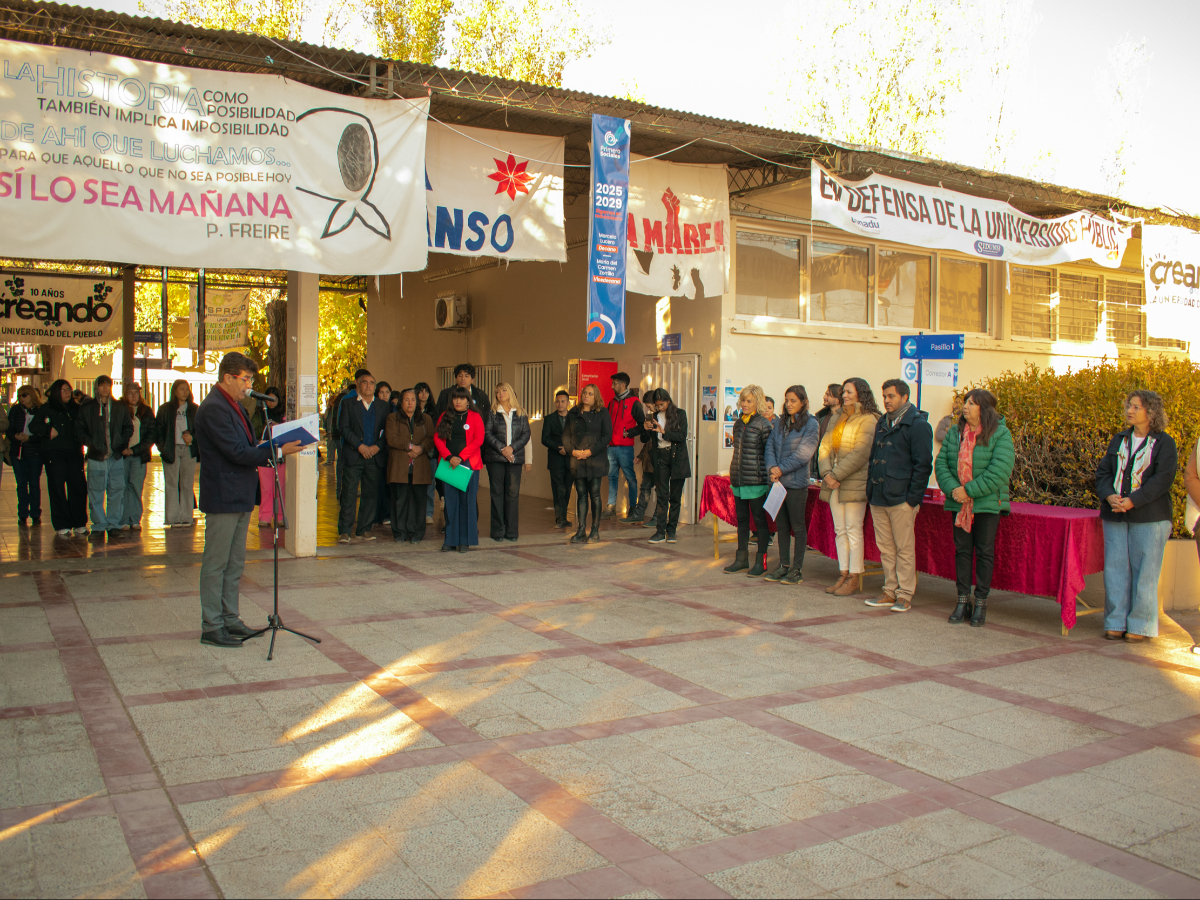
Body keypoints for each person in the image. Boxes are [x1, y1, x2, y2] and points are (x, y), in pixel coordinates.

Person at [195, 352, 302, 647]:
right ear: (227, 378)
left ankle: (230, 618)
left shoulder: (238, 407)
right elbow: (237, 452)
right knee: (216, 563)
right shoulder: (213, 408)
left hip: (240, 493)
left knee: (234, 564)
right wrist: (277, 451)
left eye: (251, 379)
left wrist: (273, 443)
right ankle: (212, 625)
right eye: (245, 379)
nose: (249, 385)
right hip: (223, 496)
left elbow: (249, 445)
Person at [1093, 390, 1177, 642]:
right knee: (1115, 569)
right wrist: (1109, 496)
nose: (1129, 410)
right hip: (1115, 515)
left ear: (1151, 412)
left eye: (1136, 407)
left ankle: (1140, 625)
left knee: (1145, 572)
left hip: (1150, 517)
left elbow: (1163, 480)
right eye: (1129, 405)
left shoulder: (1164, 443)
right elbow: (1103, 473)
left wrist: (1133, 501)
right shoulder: (1119, 439)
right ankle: (1115, 622)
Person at [936, 389, 1016, 628]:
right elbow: (941, 464)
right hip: (959, 502)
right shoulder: (955, 432)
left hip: (987, 504)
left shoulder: (1000, 434)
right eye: (966, 402)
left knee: (984, 552)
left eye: (971, 403)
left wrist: (968, 491)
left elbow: (1000, 471)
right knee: (962, 552)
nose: (966, 407)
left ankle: (980, 602)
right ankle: (962, 600)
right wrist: (955, 490)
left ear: (985, 409)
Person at [864, 379, 933, 613]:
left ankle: (904, 594)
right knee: (886, 548)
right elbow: (874, 457)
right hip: (878, 496)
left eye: (891, 396)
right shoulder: (882, 422)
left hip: (902, 498)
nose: (886, 400)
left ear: (904, 397)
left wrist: (912, 499)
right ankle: (889, 590)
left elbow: (923, 465)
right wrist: (870, 489)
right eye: (884, 396)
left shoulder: (918, 424)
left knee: (904, 548)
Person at [817, 378, 881, 595]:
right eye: (843, 392)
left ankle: (854, 576)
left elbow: (861, 453)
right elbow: (825, 446)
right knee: (840, 531)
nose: (844, 395)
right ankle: (843, 573)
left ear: (861, 394)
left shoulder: (869, 419)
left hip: (854, 483)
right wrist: (827, 474)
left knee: (853, 530)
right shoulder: (837, 417)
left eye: (849, 392)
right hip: (833, 482)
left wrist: (834, 475)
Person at [764, 385, 820, 584]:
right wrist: (772, 468)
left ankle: (796, 570)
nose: (788, 404)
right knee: (782, 526)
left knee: (797, 526)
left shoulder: (811, 424)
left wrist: (780, 469)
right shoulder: (780, 423)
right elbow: (769, 447)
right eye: (787, 400)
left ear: (803, 402)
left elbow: (803, 454)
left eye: (793, 400)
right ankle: (783, 565)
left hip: (796, 484)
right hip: (778, 483)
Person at [725, 384, 774, 576]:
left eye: (749, 401)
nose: (744, 404)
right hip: (739, 479)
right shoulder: (738, 423)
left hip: (756, 480)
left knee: (760, 521)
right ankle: (741, 559)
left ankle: (761, 561)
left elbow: (769, 453)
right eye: (743, 400)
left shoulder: (763, 424)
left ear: (757, 402)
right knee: (742, 521)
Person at [76, 374, 133, 536]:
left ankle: (114, 524)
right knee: (96, 492)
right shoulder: (88, 408)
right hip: (96, 456)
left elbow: (128, 427)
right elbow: (79, 429)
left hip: (116, 456)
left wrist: (120, 442)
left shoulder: (120, 407)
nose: (105, 388)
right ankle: (99, 525)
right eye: (102, 385)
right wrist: (91, 442)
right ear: (97, 387)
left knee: (117, 491)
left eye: (107, 384)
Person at [337, 369, 389, 543]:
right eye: (364, 382)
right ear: (358, 385)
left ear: (375, 387)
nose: (368, 386)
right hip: (354, 455)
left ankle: (364, 529)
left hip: (374, 456)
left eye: (371, 383)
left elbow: (388, 431)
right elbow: (343, 428)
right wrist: (359, 446)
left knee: (371, 495)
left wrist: (377, 447)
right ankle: (345, 531)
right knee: (349, 494)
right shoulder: (348, 403)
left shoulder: (383, 406)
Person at [31, 380, 88, 536]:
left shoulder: (76, 409)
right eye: (63, 390)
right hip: (54, 454)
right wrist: (48, 430)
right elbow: (34, 426)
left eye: (69, 389)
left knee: (78, 487)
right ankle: (62, 524)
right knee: (57, 488)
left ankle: (79, 522)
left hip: (74, 453)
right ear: (56, 392)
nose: (67, 393)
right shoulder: (48, 408)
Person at [434, 385, 485, 552]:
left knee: (467, 502)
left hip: (468, 464)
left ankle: (465, 540)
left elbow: (478, 439)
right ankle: (450, 540)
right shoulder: (444, 416)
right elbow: (437, 438)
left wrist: (461, 457)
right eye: (455, 398)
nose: (458, 401)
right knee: (450, 503)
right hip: (449, 464)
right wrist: (449, 457)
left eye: (462, 398)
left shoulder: (475, 416)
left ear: (468, 401)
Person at [562, 384, 612, 544]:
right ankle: (581, 530)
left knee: (595, 494)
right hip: (578, 460)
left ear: (596, 396)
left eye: (590, 393)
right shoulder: (573, 413)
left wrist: (590, 452)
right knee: (581, 494)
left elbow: (607, 436)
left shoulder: (602, 412)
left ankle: (595, 531)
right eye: (584, 393)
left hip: (595, 460)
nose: (586, 396)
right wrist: (573, 452)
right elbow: (566, 436)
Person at [385, 387, 435, 543]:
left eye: (413, 400)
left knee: (418, 501)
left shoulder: (426, 418)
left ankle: (416, 533)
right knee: (399, 500)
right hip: (400, 465)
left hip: (420, 465)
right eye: (406, 400)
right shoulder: (392, 418)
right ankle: (400, 533)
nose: (410, 403)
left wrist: (420, 448)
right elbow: (391, 438)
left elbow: (431, 438)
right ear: (401, 402)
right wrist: (410, 446)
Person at [484, 382, 530, 542]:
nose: (501, 393)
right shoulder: (492, 412)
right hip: (495, 458)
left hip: (514, 458)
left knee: (513, 495)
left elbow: (526, 434)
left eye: (504, 390)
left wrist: (512, 448)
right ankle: (497, 531)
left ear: (510, 392)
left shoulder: (521, 412)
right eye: (498, 391)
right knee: (497, 494)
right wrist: (502, 449)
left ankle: (511, 532)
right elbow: (487, 433)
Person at [644, 388, 690, 544]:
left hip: (677, 458)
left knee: (675, 497)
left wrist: (663, 432)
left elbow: (682, 436)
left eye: (662, 404)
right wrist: (646, 429)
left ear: (668, 401)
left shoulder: (680, 414)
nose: (659, 407)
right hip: (661, 457)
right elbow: (646, 439)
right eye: (657, 405)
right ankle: (660, 532)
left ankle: (672, 531)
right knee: (662, 496)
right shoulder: (654, 416)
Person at [156, 379, 199, 528]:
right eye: (182, 389)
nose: (185, 392)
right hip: (171, 448)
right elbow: (159, 430)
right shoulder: (165, 409)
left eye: (187, 389)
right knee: (172, 483)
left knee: (187, 483)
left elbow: (201, 429)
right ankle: (172, 518)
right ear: (175, 391)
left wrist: (192, 438)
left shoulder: (194, 409)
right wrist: (162, 447)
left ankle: (186, 517)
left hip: (188, 449)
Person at [118, 383, 157, 532]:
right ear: (125, 394)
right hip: (122, 455)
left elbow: (151, 435)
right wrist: (122, 449)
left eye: (136, 393)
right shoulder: (120, 410)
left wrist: (134, 450)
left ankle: (134, 519)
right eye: (130, 393)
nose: (134, 396)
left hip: (139, 456)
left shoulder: (146, 411)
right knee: (121, 487)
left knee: (135, 487)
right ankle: (122, 519)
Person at [605, 372, 645, 518]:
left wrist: (628, 433)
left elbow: (642, 425)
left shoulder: (634, 402)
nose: (612, 386)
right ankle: (611, 507)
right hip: (611, 447)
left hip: (625, 448)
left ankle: (633, 507)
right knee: (612, 477)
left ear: (622, 385)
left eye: (614, 383)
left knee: (630, 478)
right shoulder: (612, 402)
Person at [249, 387, 287, 528]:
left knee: (280, 487)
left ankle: (280, 516)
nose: (271, 403)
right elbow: (253, 430)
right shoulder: (259, 413)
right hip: (264, 454)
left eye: (274, 400)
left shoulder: (283, 415)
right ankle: (264, 516)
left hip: (280, 454)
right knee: (266, 487)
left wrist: (279, 427)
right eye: (268, 399)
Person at [7, 385, 44, 526]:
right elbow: (9, 429)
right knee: (21, 484)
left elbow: (42, 432)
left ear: (32, 395)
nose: (22, 398)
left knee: (34, 483)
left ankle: (35, 513)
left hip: (35, 452)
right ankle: (22, 514)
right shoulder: (15, 410)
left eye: (24, 395)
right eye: (20, 396)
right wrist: (15, 436)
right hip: (18, 452)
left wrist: (30, 438)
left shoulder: (40, 410)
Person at [624, 393, 660, 527]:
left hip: (660, 460)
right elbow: (646, 440)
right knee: (645, 487)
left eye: (649, 406)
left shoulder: (664, 418)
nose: (648, 409)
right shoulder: (650, 417)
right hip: (649, 459)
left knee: (660, 490)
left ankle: (658, 517)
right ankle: (638, 515)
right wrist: (645, 429)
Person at [541, 389, 573, 528]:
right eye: (558, 401)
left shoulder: (574, 418)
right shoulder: (549, 419)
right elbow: (545, 438)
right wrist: (558, 447)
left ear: (568, 402)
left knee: (567, 489)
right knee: (558, 489)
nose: (560, 404)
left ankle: (563, 517)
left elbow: (578, 437)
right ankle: (560, 519)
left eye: (563, 401)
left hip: (571, 459)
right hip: (556, 459)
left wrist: (568, 448)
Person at [414, 381, 439, 524]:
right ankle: (415, 511)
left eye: (426, 391)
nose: (424, 394)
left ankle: (428, 512)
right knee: (415, 483)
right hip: (414, 452)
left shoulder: (434, 411)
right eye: (421, 391)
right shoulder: (411, 409)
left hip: (430, 452)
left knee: (430, 483)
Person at [811, 383, 842, 480]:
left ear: (838, 399)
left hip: (835, 469)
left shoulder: (845, 419)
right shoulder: (820, 416)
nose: (824, 397)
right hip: (819, 466)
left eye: (828, 395)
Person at [374, 381, 393, 527]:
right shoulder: (373, 408)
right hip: (375, 450)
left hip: (390, 452)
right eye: (382, 392)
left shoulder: (394, 409)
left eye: (387, 392)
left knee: (387, 485)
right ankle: (374, 515)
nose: (385, 395)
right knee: (376, 485)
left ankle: (386, 514)